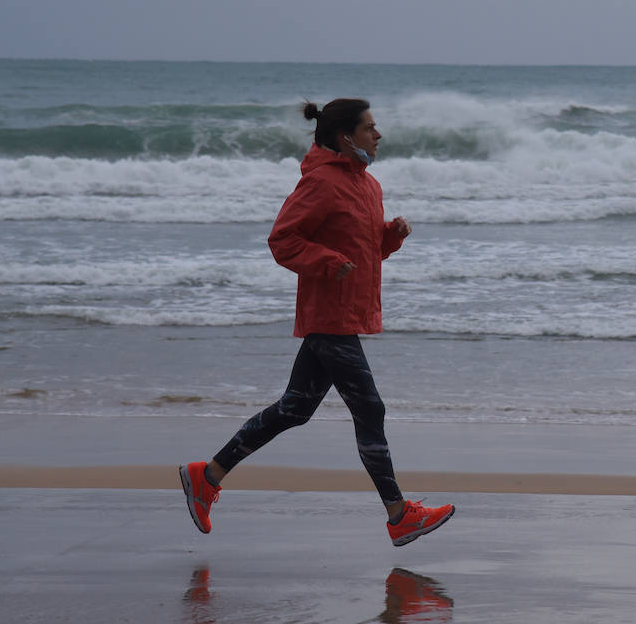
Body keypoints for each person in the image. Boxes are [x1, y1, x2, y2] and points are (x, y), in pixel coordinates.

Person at [179, 97, 454, 547]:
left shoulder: (368, 185)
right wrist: (325, 261)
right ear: (346, 137)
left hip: (348, 314)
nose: (378, 134)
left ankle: (206, 476)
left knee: (294, 409)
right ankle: (400, 514)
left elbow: (363, 252)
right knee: (370, 409)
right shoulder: (322, 184)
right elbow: (282, 240)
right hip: (329, 317)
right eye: (370, 127)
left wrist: (390, 236)